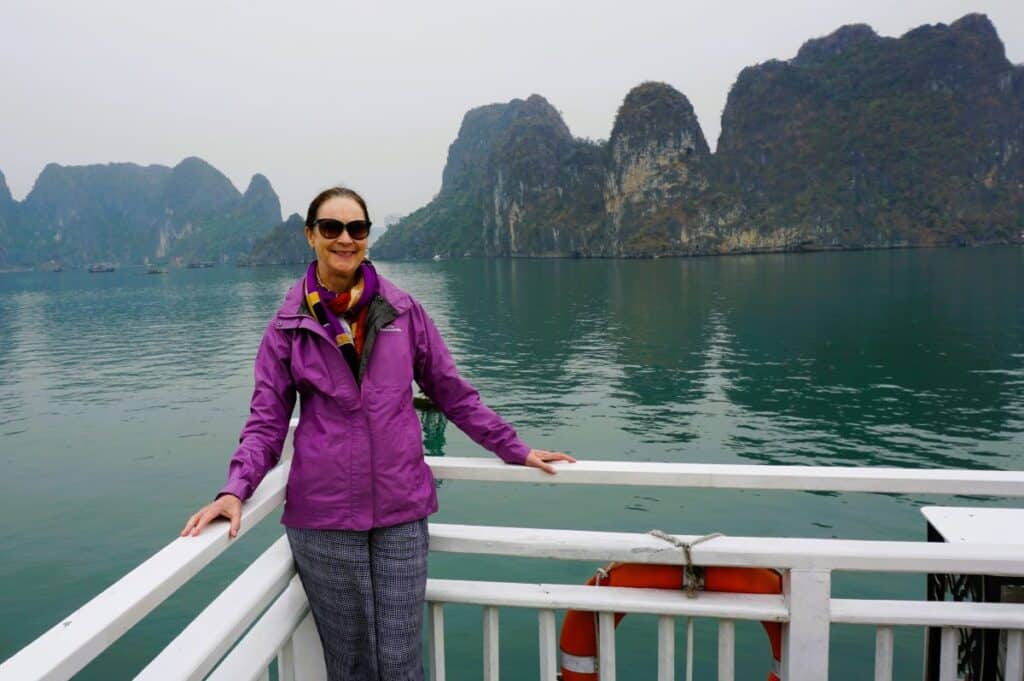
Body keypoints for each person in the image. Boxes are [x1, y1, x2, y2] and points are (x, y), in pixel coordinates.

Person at [180, 186, 574, 681]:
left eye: (357, 229)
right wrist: (235, 489)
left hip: (400, 511)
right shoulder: (288, 326)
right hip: (324, 519)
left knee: (399, 659)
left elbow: (452, 392)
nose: (345, 239)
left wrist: (514, 448)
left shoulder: (402, 312)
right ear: (310, 236)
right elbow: (267, 420)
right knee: (352, 664)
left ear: (367, 238)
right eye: (331, 228)